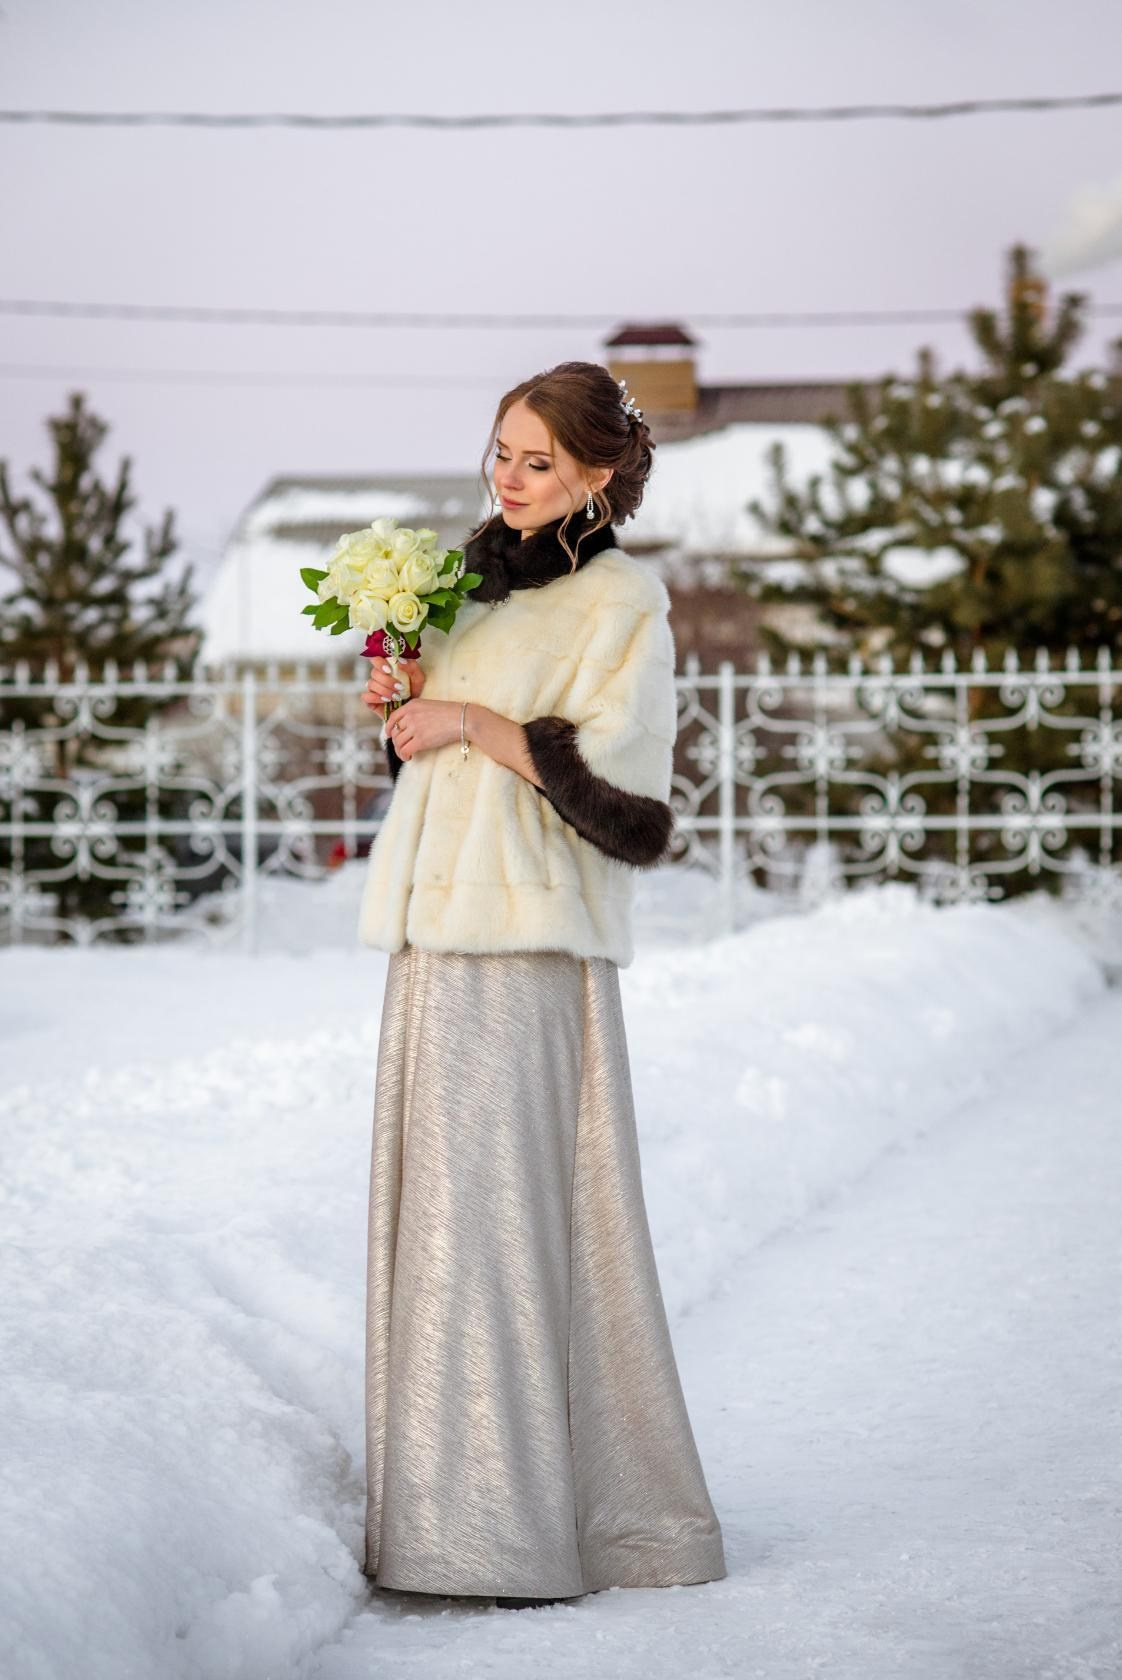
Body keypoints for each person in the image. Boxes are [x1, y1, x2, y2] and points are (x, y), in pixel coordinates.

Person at [356, 360, 727, 1609]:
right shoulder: (462, 582)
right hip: (432, 936)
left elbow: (629, 803)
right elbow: (439, 754)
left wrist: (467, 722)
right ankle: (445, 1519)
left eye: (536, 461)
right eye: (500, 452)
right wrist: (404, 709)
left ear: (602, 473)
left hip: (525, 947)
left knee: (507, 1227)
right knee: (441, 1220)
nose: (506, 479)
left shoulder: (624, 600)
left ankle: (515, 1533)